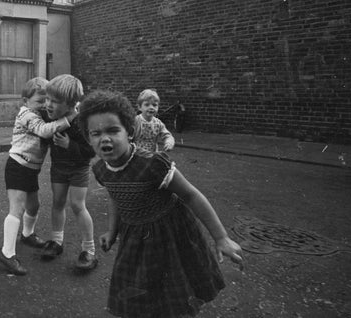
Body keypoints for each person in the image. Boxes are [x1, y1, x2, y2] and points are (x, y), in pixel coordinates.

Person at [78, 90, 243, 317]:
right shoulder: (100, 169)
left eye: (113, 130)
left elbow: (191, 195)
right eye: (95, 133)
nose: (104, 138)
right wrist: (112, 231)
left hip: (169, 234)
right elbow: (115, 197)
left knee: (172, 289)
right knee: (136, 285)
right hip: (133, 236)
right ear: (88, 138)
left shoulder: (152, 164)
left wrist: (221, 237)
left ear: (130, 132)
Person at [0, 77, 77, 276]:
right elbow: (44, 131)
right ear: (25, 101)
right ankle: (7, 253)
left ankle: (27, 234)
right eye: (39, 102)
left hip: (31, 169)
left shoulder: (40, 114)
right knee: (17, 208)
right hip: (17, 165)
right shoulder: (27, 115)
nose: (45, 105)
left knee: (34, 205)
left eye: (47, 101)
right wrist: (69, 118)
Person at [41, 74, 98, 271]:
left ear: (71, 103)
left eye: (54, 101)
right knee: (57, 202)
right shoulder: (50, 116)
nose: (48, 104)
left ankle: (89, 250)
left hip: (78, 169)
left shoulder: (81, 122)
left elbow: (91, 151)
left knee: (77, 205)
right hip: (58, 167)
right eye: (47, 99)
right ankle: (57, 242)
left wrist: (69, 145)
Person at [134, 89, 175, 155]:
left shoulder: (158, 123)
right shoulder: (136, 121)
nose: (151, 107)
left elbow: (167, 135)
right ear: (139, 107)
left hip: (152, 156)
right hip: (137, 155)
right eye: (147, 105)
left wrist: (169, 142)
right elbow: (127, 136)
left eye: (154, 105)